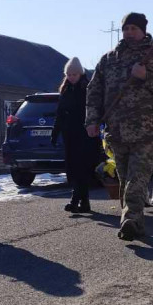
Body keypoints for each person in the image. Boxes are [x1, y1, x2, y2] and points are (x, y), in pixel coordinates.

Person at [85, 12, 153, 241]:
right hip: (117, 131)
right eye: (126, 28)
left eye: (134, 28)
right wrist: (92, 120)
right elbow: (94, 92)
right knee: (124, 179)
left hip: (146, 132)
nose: (130, 32)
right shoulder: (110, 59)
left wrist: (146, 77)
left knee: (137, 178)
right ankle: (134, 222)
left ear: (143, 30)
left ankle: (129, 220)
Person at [51, 57, 98, 214]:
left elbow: (93, 109)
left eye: (74, 74)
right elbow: (60, 113)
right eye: (69, 74)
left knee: (81, 168)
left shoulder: (87, 88)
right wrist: (55, 131)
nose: (71, 77)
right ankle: (84, 203)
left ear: (80, 74)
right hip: (69, 134)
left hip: (84, 134)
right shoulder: (65, 90)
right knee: (73, 168)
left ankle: (75, 200)